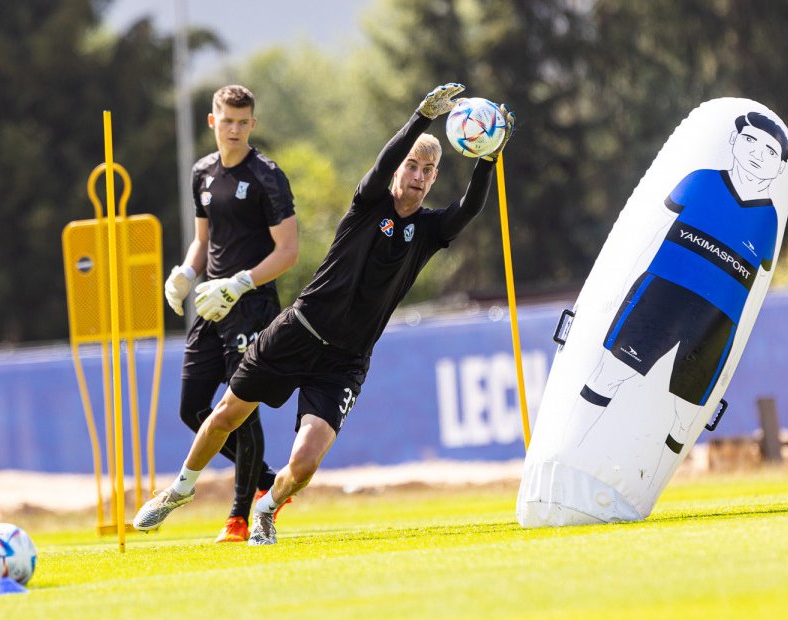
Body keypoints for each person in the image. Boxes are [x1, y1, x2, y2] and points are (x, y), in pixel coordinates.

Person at [137, 82, 514, 545]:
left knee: (305, 464)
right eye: (411, 165)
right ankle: (178, 491)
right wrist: (420, 117)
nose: (417, 175)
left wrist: (489, 156)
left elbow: (471, 207)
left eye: (428, 170)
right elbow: (382, 164)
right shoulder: (367, 203)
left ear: (434, 179)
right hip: (298, 330)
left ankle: (267, 509)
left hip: (344, 363)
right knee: (223, 416)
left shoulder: (431, 229)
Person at [571, 111, 788, 455]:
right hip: (662, 290)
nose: (757, 152)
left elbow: (760, 273)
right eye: (749, 140)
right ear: (734, 142)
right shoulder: (701, 179)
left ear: (778, 169)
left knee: (686, 407)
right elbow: (656, 228)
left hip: (717, 316)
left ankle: (652, 467)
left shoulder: (769, 217)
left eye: (769, 150)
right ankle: (577, 448)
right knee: (612, 370)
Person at [163, 84, 299, 543]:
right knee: (192, 410)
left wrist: (241, 282)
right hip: (211, 304)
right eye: (228, 121)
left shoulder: (268, 176)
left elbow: (288, 252)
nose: (235, 129)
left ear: (252, 125)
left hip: (253, 304)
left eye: (243, 122)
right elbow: (204, 241)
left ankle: (240, 518)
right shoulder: (202, 172)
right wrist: (185, 272)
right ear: (212, 122)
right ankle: (266, 479)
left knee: (242, 412)